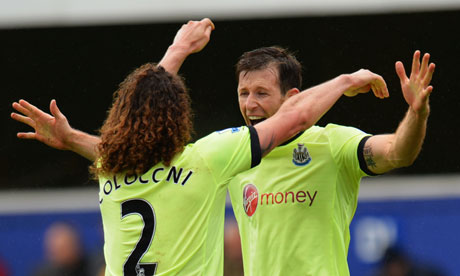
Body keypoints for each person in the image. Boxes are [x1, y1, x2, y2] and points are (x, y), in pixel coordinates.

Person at [10, 19, 389, 276]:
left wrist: (72, 138)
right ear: (180, 116)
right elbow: (297, 118)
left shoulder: (113, 165)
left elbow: (137, 110)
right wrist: (344, 80)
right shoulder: (207, 160)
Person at [227, 47, 435, 276]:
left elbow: (397, 153)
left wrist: (417, 114)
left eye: (261, 93)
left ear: (292, 98)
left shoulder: (332, 144)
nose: (250, 104)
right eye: (244, 93)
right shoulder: (235, 154)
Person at [33, 222, 97, 276]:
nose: (59, 254)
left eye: (63, 249)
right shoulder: (42, 273)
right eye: (55, 250)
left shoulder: (94, 268)